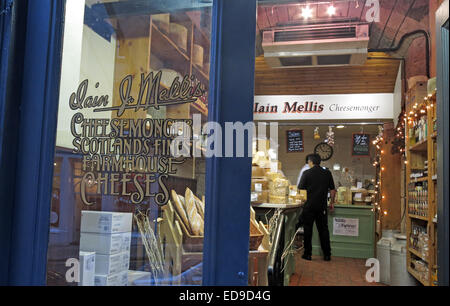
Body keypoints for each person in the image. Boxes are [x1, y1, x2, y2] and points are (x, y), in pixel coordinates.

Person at [298, 153, 336, 261]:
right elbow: (333, 190)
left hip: (308, 207)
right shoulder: (327, 173)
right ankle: (327, 255)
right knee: (323, 230)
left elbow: (301, 190)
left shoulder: (306, 173)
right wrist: (332, 203)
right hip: (322, 207)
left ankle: (308, 254)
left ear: (310, 162)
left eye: (308, 162)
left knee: (308, 230)